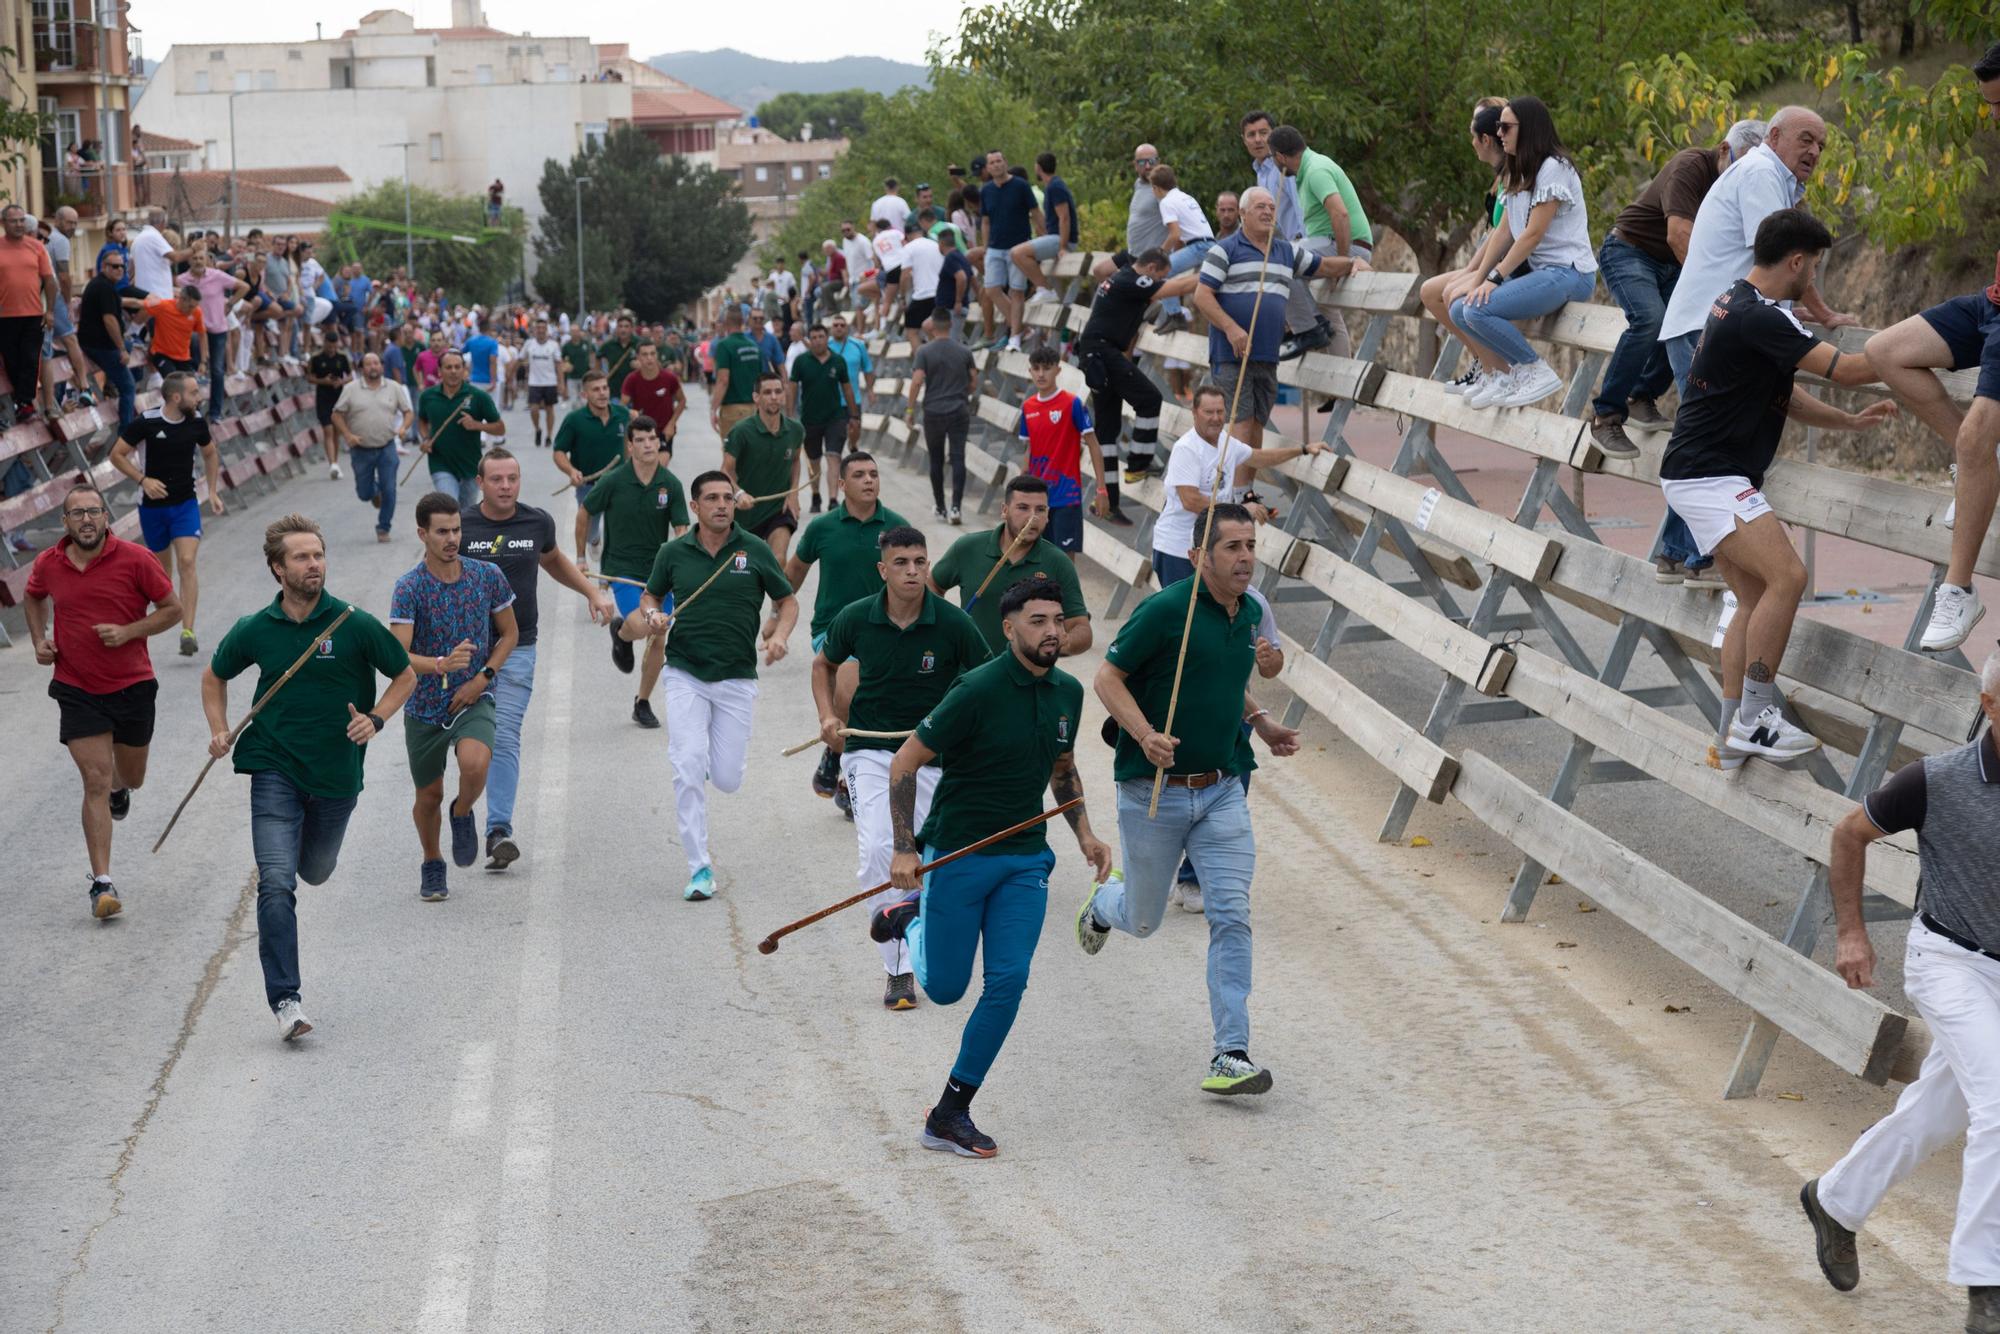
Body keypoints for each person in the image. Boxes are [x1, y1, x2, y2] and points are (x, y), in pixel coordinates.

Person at [868, 578, 1114, 1157]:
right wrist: (906, 848)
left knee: (1008, 982)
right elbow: (906, 761)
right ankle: (909, 918)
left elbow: (1062, 768)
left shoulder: (1068, 694)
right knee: (948, 989)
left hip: (1025, 858)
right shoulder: (974, 690)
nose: (1052, 630)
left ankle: (952, 1110)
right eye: (1037, 620)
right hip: (957, 853)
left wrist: (1085, 832)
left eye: (1057, 619)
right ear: (1009, 629)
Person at [1800, 648, 2000, 1334]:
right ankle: (1986, 1284)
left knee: (1939, 1114)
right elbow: (1850, 835)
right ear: (1991, 707)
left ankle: (1835, 1201)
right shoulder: (1934, 780)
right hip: (1950, 960)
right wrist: (1852, 933)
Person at [1656, 209, 1895, 768]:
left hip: (1699, 472)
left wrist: (1850, 423)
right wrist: (1918, 342)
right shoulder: (1767, 318)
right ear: (1797, 261)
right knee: (1790, 576)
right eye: (1814, 266)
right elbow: (1854, 369)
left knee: (1757, 597)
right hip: (1709, 474)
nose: (1814, 277)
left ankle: (1730, 731)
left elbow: (1782, 396)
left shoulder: (1733, 302)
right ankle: (1756, 721)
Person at [1081, 501, 1301, 1095]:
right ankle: (1105, 906)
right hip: (1153, 793)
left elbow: (1229, 678)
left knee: (1232, 914)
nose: (1246, 558)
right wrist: (1146, 735)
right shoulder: (1164, 611)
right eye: (1232, 547)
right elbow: (1107, 678)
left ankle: (1230, 1052)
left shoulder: (1252, 609)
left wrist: (1262, 722)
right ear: (1198, 555)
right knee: (1145, 919)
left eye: (1251, 545)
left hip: (1223, 789)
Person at [204, 514, 417, 1040]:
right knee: (276, 883)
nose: (313, 564)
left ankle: (303, 852)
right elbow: (215, 676)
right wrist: (219, 728)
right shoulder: (256, 628)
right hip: (272, 766)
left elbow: (404, 674)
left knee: (315, 870)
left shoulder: (352, 623)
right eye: (301, 557)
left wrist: (377, 718)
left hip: (336, 775)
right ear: (278, 569)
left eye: (317, 555)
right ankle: (287, 1000)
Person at [814, 524, 987, 1007]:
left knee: (926, 856)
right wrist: (828, 715)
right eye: (902, 563)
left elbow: (987, 678)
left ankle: (915, 930)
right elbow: (822, 664)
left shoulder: (953, 624)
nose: (913, 571)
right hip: (869, 748)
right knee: (878, 848)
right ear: (883, 570)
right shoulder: (855, 618)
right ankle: (897, 968)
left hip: (932, 753)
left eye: (920, 562)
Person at [1862, 47, 2000, 650]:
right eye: (1989, 106)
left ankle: (1959, 590)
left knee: (1976, 437)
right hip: (1993, 302)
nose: (1993, 118)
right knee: (1885, 349)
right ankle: (1978, 470)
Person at [1595, 121, 1773, 590]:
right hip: (1632, 251)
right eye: (1739, 164)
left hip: (1677, 270)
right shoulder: (1692, 167)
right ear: (1723, 152)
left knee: (1678, 343)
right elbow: (1679, 237)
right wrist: (1720, 298)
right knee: (1652, 321)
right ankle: (1607, 414)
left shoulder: (1747, 184)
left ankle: (1641, 394)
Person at [627, 471, 798, 901]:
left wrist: (779, 636)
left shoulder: (754, 549)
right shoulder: (674, 552)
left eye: (727, 497)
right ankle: (699, 867)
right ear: (696, 506)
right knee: (685, 767)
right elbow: (650, 596)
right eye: (712, 499)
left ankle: (703, 760)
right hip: (686, 672)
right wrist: (652, 616)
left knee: (726, 778)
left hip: (737, 678)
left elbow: (788, 600)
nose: (722, 504)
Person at [23, 483, 182, 919]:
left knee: (130, 775)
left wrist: (129, 632)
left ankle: (119, 787)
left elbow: (173, 609)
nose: (87, 520)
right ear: (65, 521)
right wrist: (40, 641)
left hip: (132, 684)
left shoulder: (136, 559)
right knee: (93, 777)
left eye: (94, 511)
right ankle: (102, 884)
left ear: (106, 517)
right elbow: (34, 596)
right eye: (77, 514)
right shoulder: (48, 563)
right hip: (76, 686)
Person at [462, 447, 618, 868]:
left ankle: (498, 830)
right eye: (496, 479)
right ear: (480, 483)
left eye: (512, 478)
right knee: (468, 744)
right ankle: (462, 811)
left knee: (505, 735)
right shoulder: (461, 526)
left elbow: (553, 562)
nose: (506, 486)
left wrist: (592, 592)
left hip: (518, 647)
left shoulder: (536, 522)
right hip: (464, 651)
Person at [388, 492, 519, 902]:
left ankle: (462, 812)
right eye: (442, 531)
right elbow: (398, 656)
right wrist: (440, 664)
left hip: (473, 696)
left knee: (476, 763)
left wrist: (483, 677)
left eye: (457, 530)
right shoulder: (409, 588)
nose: (452, 539)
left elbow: (509, 634)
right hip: (424, 705)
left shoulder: (487, 576)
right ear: (422, 533)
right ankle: (432, 861)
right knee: (428, 796)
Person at [1446, 97, 1599, 410]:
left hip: (1569, 273)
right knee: (1460, 309)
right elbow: (1503, 232)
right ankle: (1505, 374)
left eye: (1506, 127)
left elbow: (1532, 234)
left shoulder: (1554, 168)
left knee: (1477, 310)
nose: (1499, 133)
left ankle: (1533, 369)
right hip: (1544, 275)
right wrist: (1477, 279)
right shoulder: (1515, 170)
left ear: (1528, 129)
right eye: (1498, 127)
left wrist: (1495, 277)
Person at [786, 450, 908, 798]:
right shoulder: (823, 527)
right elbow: (794, 572)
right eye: (859, 475)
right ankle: (849, 780)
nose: (869, 480)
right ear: (841, 484)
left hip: (887, 632)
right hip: (833, 629)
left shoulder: (897, 527)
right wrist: (777, 615)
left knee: (872, 705)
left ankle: (836, 755)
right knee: (851, 693)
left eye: (874, 473)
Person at [1191, 186, 1341, 447]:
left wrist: (1352, 263)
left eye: (1272, 207)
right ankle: (1236, 489)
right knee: (1241, 428)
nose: (1268, 212)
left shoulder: (1285, 251)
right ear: (1243, 213)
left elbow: (1323, 266)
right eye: (1261, 207)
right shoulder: (1224, 250)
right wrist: (1231, 328)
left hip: (1267, 354)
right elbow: (1202, 296)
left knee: (1257, 428)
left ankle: (1246, 489)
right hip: (1232, 353)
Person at [584, 414, 687, 727]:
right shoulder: (614, 481)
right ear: (629, 446)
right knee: (645, 627)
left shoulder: (670, 484)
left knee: (659, 633)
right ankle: (622, 632)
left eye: (652, 439)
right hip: (623, 568)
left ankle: (642, 702)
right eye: (640, 440)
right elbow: (585, 513)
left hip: (658, 572)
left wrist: (681, 563)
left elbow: (681, 527)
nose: (648, 445)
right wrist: (579, 556)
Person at [107, 371, 219, 655]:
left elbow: (210, 453)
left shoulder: (196, 422)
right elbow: (116, 454)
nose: (200, 397)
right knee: (162, 574)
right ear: (176, 396)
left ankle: (188, 631)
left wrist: (213, 491)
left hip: (185, 505)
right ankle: (164, 618)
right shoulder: (147, 422)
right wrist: (143, 480)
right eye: (194, 392)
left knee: (187, 561)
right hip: (152, 508)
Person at [1075, 248, 1194, 498]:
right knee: (1150, 399)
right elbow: (1177, 288)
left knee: (1107, 426)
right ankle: (1138, 464)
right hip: (1103, 352)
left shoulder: (1121, 276)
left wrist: (1122, 254)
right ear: (1151, 269)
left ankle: (1108, 497)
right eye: (1160, 275)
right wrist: (1214, 275)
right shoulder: (1136, 281)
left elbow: (1099, 270)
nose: (1158, 283)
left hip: (1094, 352)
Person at [930, 475, 1092, 655]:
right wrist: (942, 626)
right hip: (969, 673)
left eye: (1040, 509)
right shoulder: (968, 548)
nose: (1032, 517)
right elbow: (933, 585)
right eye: (1023, 508)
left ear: (1048, 515)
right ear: (1005, 510)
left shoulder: (1059, 562)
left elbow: (1081, 628)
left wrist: (1062, 643)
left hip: (1030, 678)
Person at [1420, 100, 1512, 390]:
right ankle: (1481, 362)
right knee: (1431, 291)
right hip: (1493, 264)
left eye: (1474, 133)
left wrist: (1477, 275)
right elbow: (1495, 232)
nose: (1472, 142)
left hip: (1509, 269)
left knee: (1452, 294)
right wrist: (1471, 271)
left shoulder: (1514, 176)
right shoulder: (1501, 176)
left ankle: (1495, 370)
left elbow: (1505, 234)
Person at [1267, 126, 1373, 359]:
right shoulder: (1308, 170)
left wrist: (1342, 260)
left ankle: (1308, 329)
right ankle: (1338, 390)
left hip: (1347, 246)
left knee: (1278, 257)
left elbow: (1340, 215)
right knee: (1328, 317)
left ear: (1280, 157)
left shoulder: (1316, 170)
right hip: (1330, 244)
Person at [1016, 344, 1111, 554]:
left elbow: (1094, 446)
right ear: (1030, 371)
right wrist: (1020, 490)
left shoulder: (1072, 404)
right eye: (1036, 368)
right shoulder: (1028, 407)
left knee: (1064, 561)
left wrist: (1102, 489)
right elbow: (1030, 448)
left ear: (1058, 370)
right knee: (1037, 559)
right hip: (1037, 500)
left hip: (1066, 497)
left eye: (1047, 368)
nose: (1041, 374)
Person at [722, 371, 806, 565]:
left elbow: (795, 460)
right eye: (767, 392)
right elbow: (725, 471)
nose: (774, 397)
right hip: (745, 515)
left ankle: (778, 597)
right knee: (745, 571)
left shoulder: (795, 430)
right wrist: (739, 493)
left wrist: (793, 493)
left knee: (778, 560)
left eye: (778, 391)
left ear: (784, 395)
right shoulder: (741, 431)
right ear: (756, 397)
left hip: (778, 511)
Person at [331, 350, 414, 544]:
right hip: (361, 448)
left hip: (387, 447)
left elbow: (408, 412)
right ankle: (374, 492)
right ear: (361, 369)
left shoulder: (393, 387)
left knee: (390, 489)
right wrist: (348, 434)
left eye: (376, 363)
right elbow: (336, 414)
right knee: (364, 493)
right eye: (368, 364)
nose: (373, 367)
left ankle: (383, 527)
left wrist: (403, 428)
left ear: (382, 366)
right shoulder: (351, 389)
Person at [905, 310, 979, 521]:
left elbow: (917, 381)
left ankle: (940, 506)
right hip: (958, 410)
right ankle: (956, 507)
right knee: (958, 457)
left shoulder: (924, 351)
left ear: (933, 327)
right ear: (950, 325)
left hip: (934, 411)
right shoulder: (965, 351)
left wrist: (910, 410)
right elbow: (973, 382)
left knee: (936, 460)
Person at [415, 348, 504, 508]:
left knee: (466, 515)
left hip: (470, 465)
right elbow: (422, 420)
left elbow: (500, 428)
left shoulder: (478, 396)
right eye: (448, 367)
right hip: (440, 463)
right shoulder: (428, 396)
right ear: (440, 371)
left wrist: (476, 425)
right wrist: (426, 438)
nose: (453, 371)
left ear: (464, 370)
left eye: (457, 367)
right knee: (450, 507)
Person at [788, 323, 854, 514]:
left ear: (827, 338)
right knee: (814, 460)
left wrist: (854, 414)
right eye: (814, 337)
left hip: (835, 417)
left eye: (821, 337)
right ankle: (816, 494)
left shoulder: (838, 361)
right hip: (810, 419)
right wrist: (790, 414)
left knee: (834, 457)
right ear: (810, 340)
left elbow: (847, 388)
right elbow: (792, 387)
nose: (817, 341)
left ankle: (833, 499)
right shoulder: (801, 361)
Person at [977, 151, 1040, 351]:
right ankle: (1021, 328)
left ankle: (1015, 338)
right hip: (995, 247)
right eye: (992, 163)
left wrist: (1047, 238)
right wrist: (986, 247)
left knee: (1017, 291)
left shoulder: (1020, 186)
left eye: (999, 161)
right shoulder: (986, 191)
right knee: (992, 289)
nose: (996, 165)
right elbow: (985, 221)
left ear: (1005, 162)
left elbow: (1036, 213)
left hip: (1018, 247)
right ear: (987, 168)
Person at [0, 203, 56, 424]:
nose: (19, 225)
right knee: (13, 360)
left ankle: (25, 403)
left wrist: (50, 311)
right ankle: (21, 402)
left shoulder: (36, 247)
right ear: (4, 223)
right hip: (4, 315)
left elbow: (50, 281)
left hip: (33, 313)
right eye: (14, 221)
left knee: (32, 359)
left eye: (22, 220)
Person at [179, 246, 250, 419]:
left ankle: (215, 413)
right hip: (194, 331)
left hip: (217, 328)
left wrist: (231, 303)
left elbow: (243, 287)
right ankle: (193, 409)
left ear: (206, 261)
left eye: (200, 258)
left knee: (217, 370)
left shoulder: (216, 276)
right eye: (194, 258)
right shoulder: (181, 280)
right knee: (193, 369)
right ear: (189, 261)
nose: (197, 261)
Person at [78, 251, 134, 428]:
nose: (119, 270)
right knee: (129, 387)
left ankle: (110, 383)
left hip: (96, 343)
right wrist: (121, 350)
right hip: (100, 345)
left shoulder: (103, 285)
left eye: (122, 267)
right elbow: (109, 320)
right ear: (104, 267)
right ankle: (126, 436)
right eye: (114, 266)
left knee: (130, 344)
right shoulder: (104, 288)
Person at [1010, 152, 1077, 300]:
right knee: (1018, 255)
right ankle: (1045, 291)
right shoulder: (1051, 186)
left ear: (1038, 168)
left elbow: (1064, 217)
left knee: (1017, 253)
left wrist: (1062, 247)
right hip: (1054, 237)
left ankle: (1045, 289)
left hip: (1060, 240)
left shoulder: (1055, 186)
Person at [620, 338, 686, 450]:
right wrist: (630, 412)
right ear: (638, 357)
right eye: (645, 354)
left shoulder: (669, 378)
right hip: (642, 433)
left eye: (652, 353)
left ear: (657, 355)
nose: (649, 358)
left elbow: (682, 400)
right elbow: (622, 406)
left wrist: (672, 424)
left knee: (659, 464)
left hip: (663, 432)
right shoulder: (631, 379)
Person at [709, 307, 763, 441]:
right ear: (743, 321)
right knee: (751, 454)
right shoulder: (754, 346)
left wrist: (713, 409)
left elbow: (723, 380)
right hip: (754, 409)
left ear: (726, 323)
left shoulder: (724, 345)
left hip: (733, 410)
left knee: (732, 456)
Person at [305, 325, 352, 479]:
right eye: (329, 346)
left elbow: (351, 375)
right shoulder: (316, 358)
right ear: (324, 343)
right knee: (328, 429)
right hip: (323, 397)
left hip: (339, 397)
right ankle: (332, 463)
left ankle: (335, 462)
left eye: (334, 346)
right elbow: (310, 377)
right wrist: (323, 381)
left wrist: (342, 382)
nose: (332, 349)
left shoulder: (342, 357)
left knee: (337, 431)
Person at [828, 313, 874, 451]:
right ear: (831, 328)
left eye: (842, 325)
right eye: (836, 325)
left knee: (855, 429)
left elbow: (868, 368)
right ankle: (835, 457)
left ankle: (853, 444)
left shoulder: (858, 345)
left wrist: (871, 390)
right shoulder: (825, 345)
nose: (839, 328)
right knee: (836, 437)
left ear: (847, 328)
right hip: (831, 400)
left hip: (854, 399)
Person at [898, 216, 945, 349]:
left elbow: (905, 276)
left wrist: (902, 296)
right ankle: (937, 358)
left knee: (912, 331)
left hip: (922, 295)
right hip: (940, 293)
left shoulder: (909, 248)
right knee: (934, 329)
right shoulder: (935, 244)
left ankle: (922, 364)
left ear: (907, 236)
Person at [559, 323, 594, 407]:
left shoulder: (586, 344)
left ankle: (585, 419)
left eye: (576, 331)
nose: (575, 333)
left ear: (579, 332)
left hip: (585, 376)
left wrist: (592, 367)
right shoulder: (566, 346)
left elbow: (592, 355)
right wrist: (566, 366)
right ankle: (576, 419)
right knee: (574, 402)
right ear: (570, 333)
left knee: (584, 401)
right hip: (572, 377)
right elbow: (562, 361)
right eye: (573, 331)